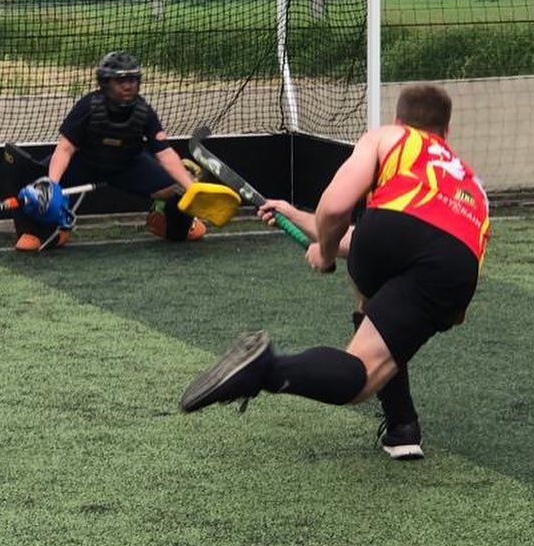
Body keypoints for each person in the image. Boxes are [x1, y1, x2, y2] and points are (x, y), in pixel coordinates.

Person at [180, 83, 490, 461]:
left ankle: (268, 368)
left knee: (365, 321)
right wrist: (292, 215)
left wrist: (325, 252)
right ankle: (401, 425)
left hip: (386, 234)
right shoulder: (471, 185)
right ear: (446, 132)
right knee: (372, 350)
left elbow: (337, 211)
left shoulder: (387, 137)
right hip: (457, 264)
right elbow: (445, 292)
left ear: (399, 119)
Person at [4, 51, 206, 251]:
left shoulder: (144, 111)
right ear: (105, 83)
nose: (128, 86)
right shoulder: (88, 106)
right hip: (85, 163)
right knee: (34, 179)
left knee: (179, 186)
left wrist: (190, 187)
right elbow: (65, 149)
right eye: (121, 81)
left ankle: (165, 221)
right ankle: (41, 232)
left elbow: (165, 153)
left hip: (128, 165)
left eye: (133, 80)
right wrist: (52, 185)